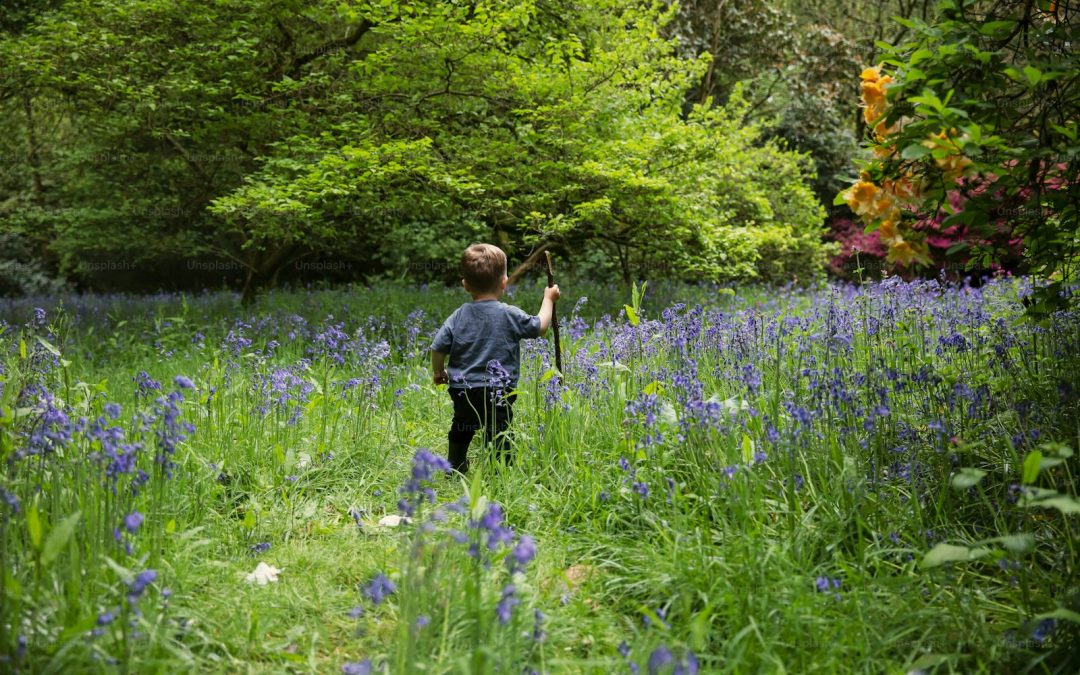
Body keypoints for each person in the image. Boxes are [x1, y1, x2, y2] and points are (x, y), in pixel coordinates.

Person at [430, 243, 560, 473]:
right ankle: (501, 471)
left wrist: (439, 372)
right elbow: (540, 327)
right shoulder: (509, 314)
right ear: (504, 281)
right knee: (499, 431)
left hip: (464, 389)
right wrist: (548, 299)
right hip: (498, 391)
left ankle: (456, 465)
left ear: (465, 284)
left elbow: (438, 347)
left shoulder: (458, 315)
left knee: (461, 427)